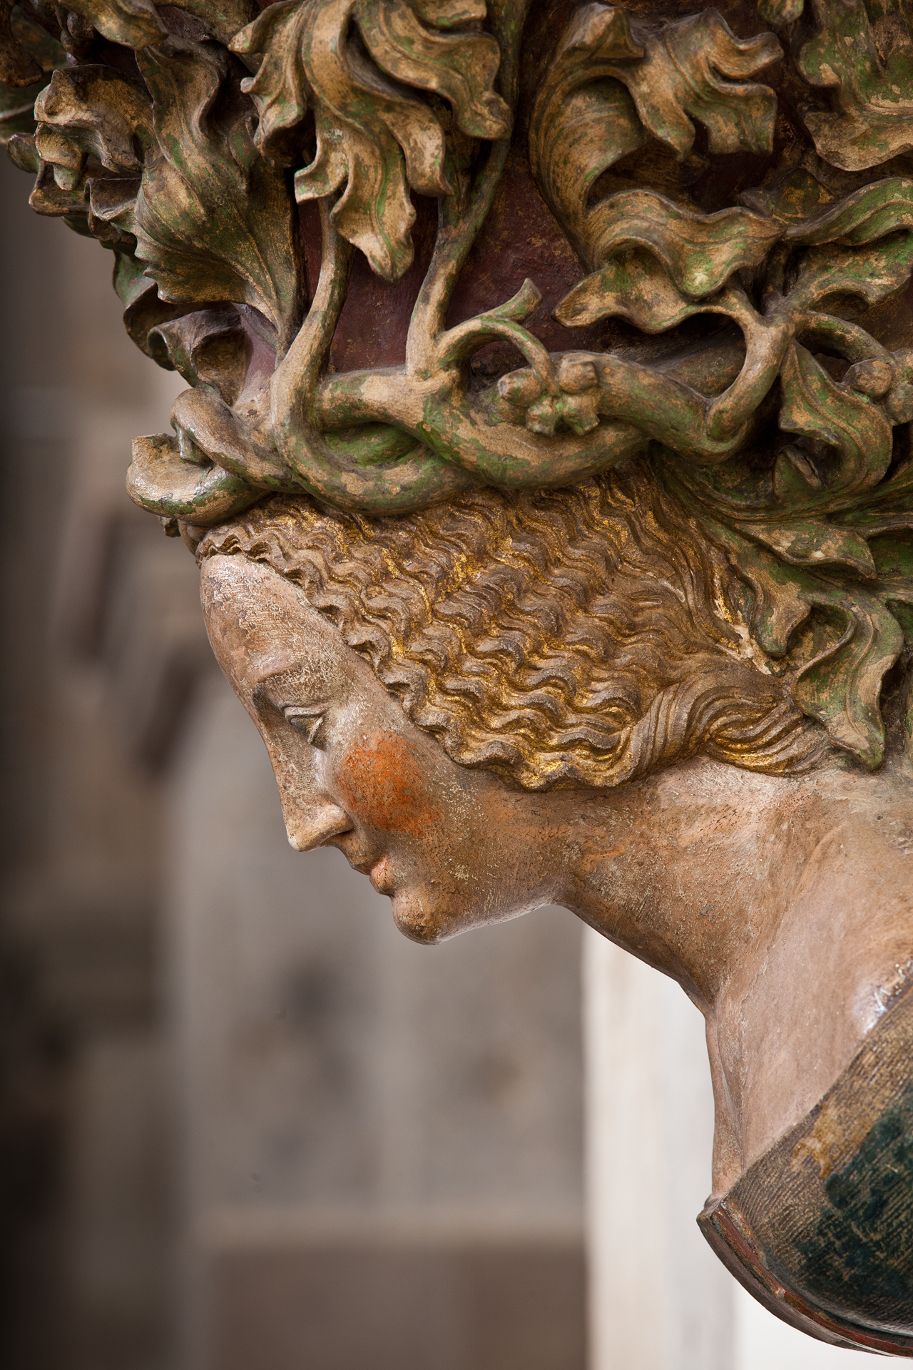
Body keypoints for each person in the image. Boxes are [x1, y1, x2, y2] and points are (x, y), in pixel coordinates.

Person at [198, 462, 913, 1354]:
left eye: (309, 725)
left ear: (480, 653)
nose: (304, 820)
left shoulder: (879, 993)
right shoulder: (759, 998)